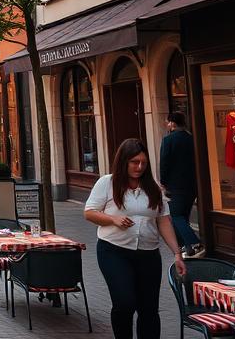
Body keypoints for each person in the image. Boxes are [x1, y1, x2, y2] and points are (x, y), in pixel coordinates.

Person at [86, 137, 186, 339]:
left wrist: (177, 253)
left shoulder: (153, 187)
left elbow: (164, 221)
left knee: (149, 309)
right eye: (134, 162)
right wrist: (113, 219)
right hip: (114, 251)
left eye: (143, 163)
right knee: (124, 303)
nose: (139, 167)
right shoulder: (107, 183)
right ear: (123, 161)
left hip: (148, 254)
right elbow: (89, 213)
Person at [160, 112, 204, 258]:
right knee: (183, 216)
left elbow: (164, 163)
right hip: (192, 184)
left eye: (168, 122)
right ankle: (187, 248)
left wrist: (163, 182)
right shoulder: (192, 139)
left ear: (172, 123)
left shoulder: (168, 140)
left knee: (175, 215)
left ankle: (194, 243)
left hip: (176, 185)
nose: (167, 125)